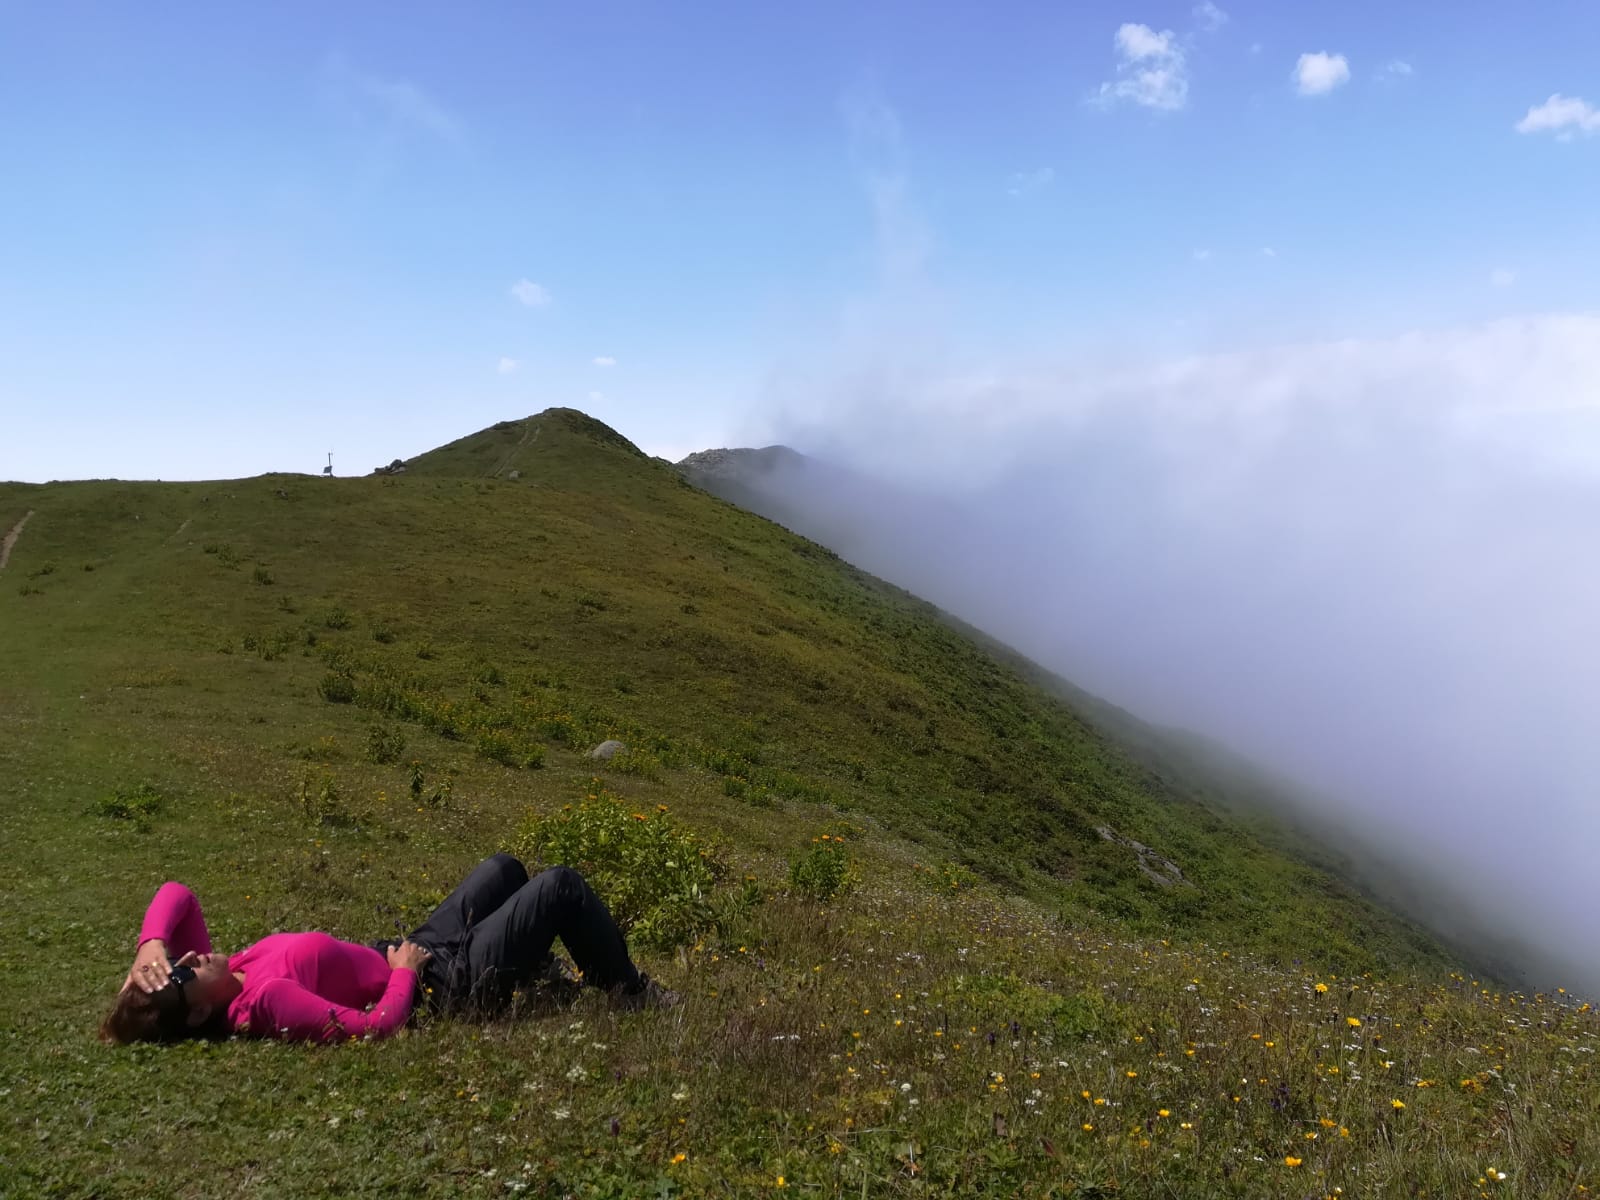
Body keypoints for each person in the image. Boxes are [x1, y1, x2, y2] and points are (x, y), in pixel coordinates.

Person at [101, 853, 676, 1045]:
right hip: (438, 986)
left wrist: (149, 945)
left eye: (172, 963)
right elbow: (373, 1027)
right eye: (178, 975)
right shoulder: (265, 1000)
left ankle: (530, 966)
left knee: (504, 869)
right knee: (562, 887)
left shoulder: (224, 973)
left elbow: (180, 895)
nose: (186, 959)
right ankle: (630, 991)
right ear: (199, 1011)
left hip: (414, 949)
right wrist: (403, 973)